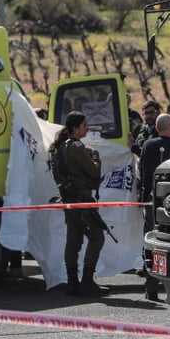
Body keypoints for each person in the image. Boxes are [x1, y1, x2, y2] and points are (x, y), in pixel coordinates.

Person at [50, 111, 106, 297]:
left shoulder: (57, 149)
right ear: (75, 128)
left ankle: (72, 283)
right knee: (97, 237)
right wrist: (95, 154)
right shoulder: (76, 147)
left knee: (73, 241)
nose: (87, 128)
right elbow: (94, 171)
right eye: (84, 125)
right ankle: (87, 281)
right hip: (82, 201)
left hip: (68, 201)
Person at [137, 114, 170, 301]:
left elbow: (142, 172)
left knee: (150, 242)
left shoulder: (148, 145)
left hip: (150, 200)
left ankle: (150, 286)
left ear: (157, 128)